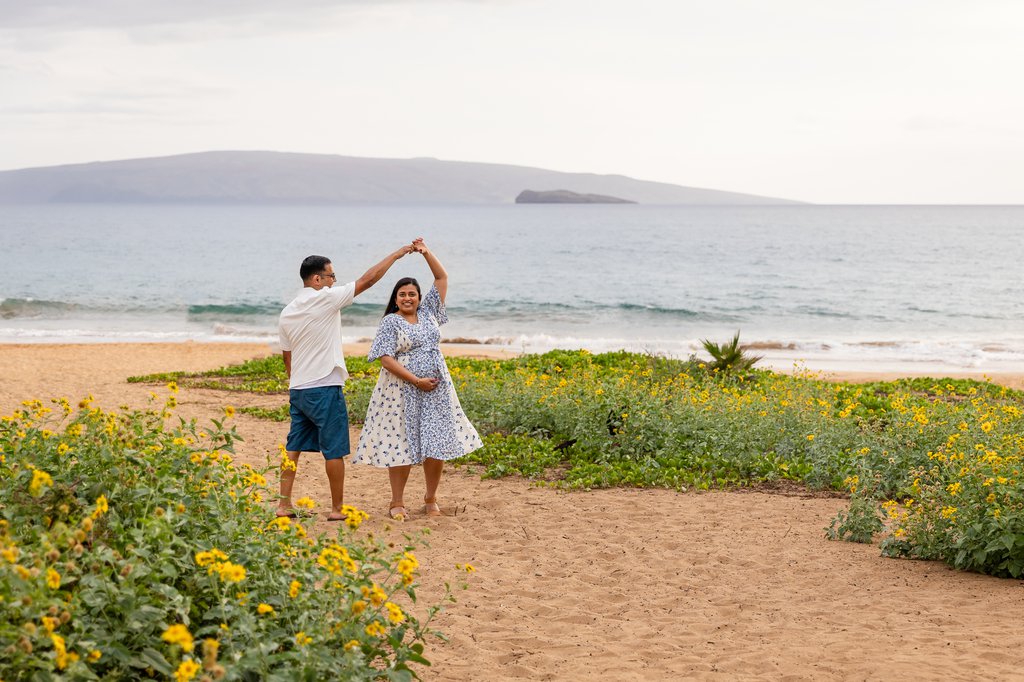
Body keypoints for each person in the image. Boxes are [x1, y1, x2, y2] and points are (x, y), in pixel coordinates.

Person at [277, 245, 415, 520]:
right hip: (325, 385)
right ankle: (337, 509)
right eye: (331, 276)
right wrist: (397, 255)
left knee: (293, 448)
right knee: (334, 450)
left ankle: (283, 505)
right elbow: (369, 279)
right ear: (317, 280)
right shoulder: (326, 299)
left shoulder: (287, 312)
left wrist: (298, 382)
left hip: (299, 389)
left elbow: (287, 356)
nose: (334, 281)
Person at [352, 239, 483, 519]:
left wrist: (426, 252)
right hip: (401, 390)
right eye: (402, 294)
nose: (408, 298)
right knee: (400, 442)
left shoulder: (429, 313)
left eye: (412, 293)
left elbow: (441, 277)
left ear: (420, 298)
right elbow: (385, 358)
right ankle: (396, 503)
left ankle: (430, 499)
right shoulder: (390, 322)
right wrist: (415, 380)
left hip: (436, 388)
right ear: (395, 299)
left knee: (435, 442)